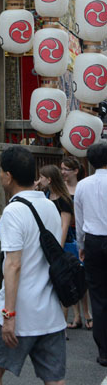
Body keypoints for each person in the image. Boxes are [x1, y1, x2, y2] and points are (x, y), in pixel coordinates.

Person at [0, 145, 66, 385]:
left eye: (0, 171)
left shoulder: (14, 211)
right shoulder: (50, 207)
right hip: (50, 312)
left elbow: (13, 265)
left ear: (8, 176)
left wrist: (8, 315)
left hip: (18, 310)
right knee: (55, 379)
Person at [74, 140, 107, 368]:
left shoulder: (82, 186)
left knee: (98, 296)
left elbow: (80, 219)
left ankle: (104, 351)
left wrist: (81, 245)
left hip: (93, 241)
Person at [60, 156, 92, 331]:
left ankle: (86, 312)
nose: (63, 172)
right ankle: (77, 315)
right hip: (65, 234)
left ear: (76, 171)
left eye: (66, 169)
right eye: (61, 169)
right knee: (69, 275)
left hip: (80, 233)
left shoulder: (83, 187)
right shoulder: (60, 189)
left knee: (81, 274)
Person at [36, 164, 73, 246]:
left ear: (49, 180)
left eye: (41, 177)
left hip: (60, 241)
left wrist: (60, 247)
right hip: (48, 239)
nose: (39, 180)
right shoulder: (46, 194)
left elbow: (64, 226)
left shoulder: (64, 199)